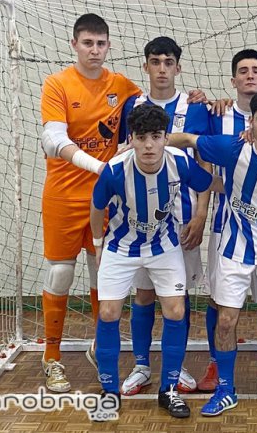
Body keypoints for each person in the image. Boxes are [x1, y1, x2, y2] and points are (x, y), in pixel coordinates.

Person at [169, 88, 257, 419]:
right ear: (251, 122)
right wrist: (146, 145)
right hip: (234, 249)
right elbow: (188, 139)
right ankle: (225, 390)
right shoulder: (232, 148)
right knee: (226, 320)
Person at [90, 104, 216, 418]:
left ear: (165, 138)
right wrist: (97, 245)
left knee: (176, 310)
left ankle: (169, 390)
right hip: (121, 246)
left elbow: (208, 184)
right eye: (142, 137)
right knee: (108, 312)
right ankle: (109, 392)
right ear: (131, 139)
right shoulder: (115, 169)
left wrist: (252, 184)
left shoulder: (179, 161)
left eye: (156, 136)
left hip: (164, 246)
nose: (149, 145)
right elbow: (96, 207)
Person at [38, 13, 141, 393]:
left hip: (105, 198)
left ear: (108, 46)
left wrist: (199, 99)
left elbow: (156, 106)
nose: (94, 50)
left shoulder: (122, 86)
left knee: (104, 273)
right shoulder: (57, 84)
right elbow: (53, 140)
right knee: (60, 274)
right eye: (87, 43)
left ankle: (102, 349)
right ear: (74, 45)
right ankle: (51, 357)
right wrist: (99, 165)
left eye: (100, 44)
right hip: (64, 195)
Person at [117, 36, 212, 396]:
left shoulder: (195, 106)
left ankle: (177, 364)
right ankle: (142, 365)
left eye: (168, 62)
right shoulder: (133, 104)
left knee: (178, 296)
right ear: (146, 66)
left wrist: (201, 215)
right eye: (155, 62)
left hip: (182, 219)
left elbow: (204, 162)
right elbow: (123, 156)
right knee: (143, 295)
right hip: (140, 223)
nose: (161, 69)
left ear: (178, 67)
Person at [199, 49, 257, 392]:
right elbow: (201, 156)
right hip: (225, 224)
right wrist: (207, 200)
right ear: (233, 80)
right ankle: (215, 364)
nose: (250, 75)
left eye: (256, 70)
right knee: (219, 299)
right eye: (243, 71)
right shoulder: (217, 114)